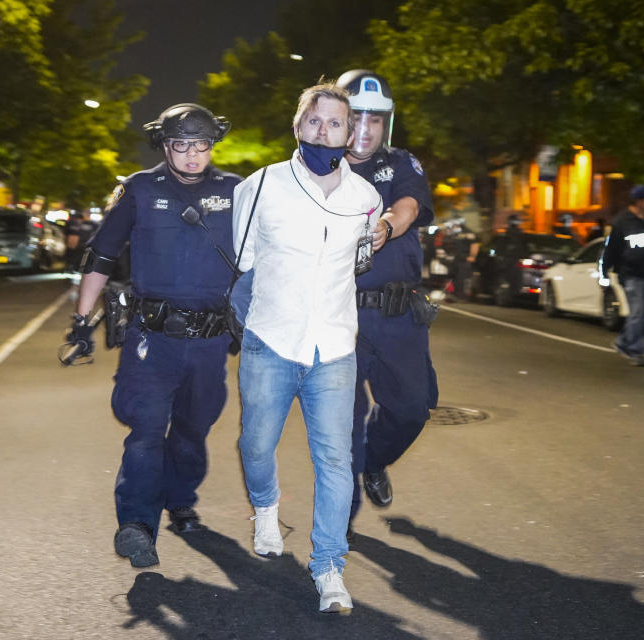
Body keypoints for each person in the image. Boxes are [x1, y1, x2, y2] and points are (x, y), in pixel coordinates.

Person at [66, 103, 241, 568]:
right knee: (146, 429)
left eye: (200, 145)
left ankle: (180, 499)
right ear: (164, 145)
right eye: (180, 144)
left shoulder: (237, 192)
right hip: (152, 337)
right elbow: (101, 256)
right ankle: (137, 525)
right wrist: (81, 321)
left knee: (192, 428)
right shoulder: (139, 190)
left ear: (212, 145)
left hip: (210, 340)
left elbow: (265, 258)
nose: (190, 155)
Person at [233, 82, 382, 614]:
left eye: (335, 123)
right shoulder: (261, 185)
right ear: (298, 126)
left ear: (350, 133)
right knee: (255, 445)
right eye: (314, 121)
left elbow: (362, 259)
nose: (324, 131)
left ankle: (329, 567)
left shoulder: (365, 198)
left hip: (335, 348)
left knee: (336, 462)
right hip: (270, 341)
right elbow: (244, 258)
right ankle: (266, 508)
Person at [337, 69, 439, 538]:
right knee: (343, 418)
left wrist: (385, 227)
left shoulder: (400, 163)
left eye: (375, 120)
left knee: (414, 408)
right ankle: (339, 524)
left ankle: (375, 461)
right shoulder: (314, 168)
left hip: (398, 313)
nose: (365, 128)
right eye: (356, 116)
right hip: (339, 314)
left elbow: (408, 206)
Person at [599, 185, 644, 366]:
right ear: (639, 202)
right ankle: (635, 350)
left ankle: (623, 342)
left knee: (643, 314)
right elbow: (610, 251)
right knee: (638, 313)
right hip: (631, 275)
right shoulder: (621, 223)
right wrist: (604, 274)